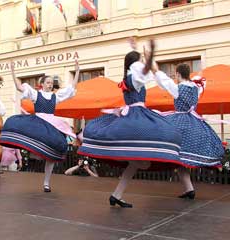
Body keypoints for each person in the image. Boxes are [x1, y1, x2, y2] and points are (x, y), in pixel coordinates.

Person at [78, 40, 182, 208]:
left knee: (135, 164)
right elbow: (147, 73)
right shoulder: (134, 78)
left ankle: (116, 195)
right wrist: (150, 57)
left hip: (134, 115)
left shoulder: (130, 77)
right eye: (140, 60)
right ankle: (117, 192)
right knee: (162, 141)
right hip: (135, 118)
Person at [0, 60, 80, 192]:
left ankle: (46, 183)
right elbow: (20, 87)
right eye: (47, 82)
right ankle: (32, 153)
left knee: (53, 153)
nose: (50, 84)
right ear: (41, 84)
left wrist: (77, 72)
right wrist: (13, 72)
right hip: (38, 124)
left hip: (51, 124)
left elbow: (72, 88)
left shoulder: (56, 96)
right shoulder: (36, 94)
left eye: (51, 83)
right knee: (17, 125)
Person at [153, 63, 224, 199]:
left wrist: (154, 68)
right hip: (194, 122)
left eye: (176, 75)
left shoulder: (177, 88)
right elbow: (201, 83)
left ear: (178, 74)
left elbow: (164, 80)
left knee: (177, 155)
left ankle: (189, 188)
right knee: (181, 159)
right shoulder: (196, 88)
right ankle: (189, 189)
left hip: (180, 123)